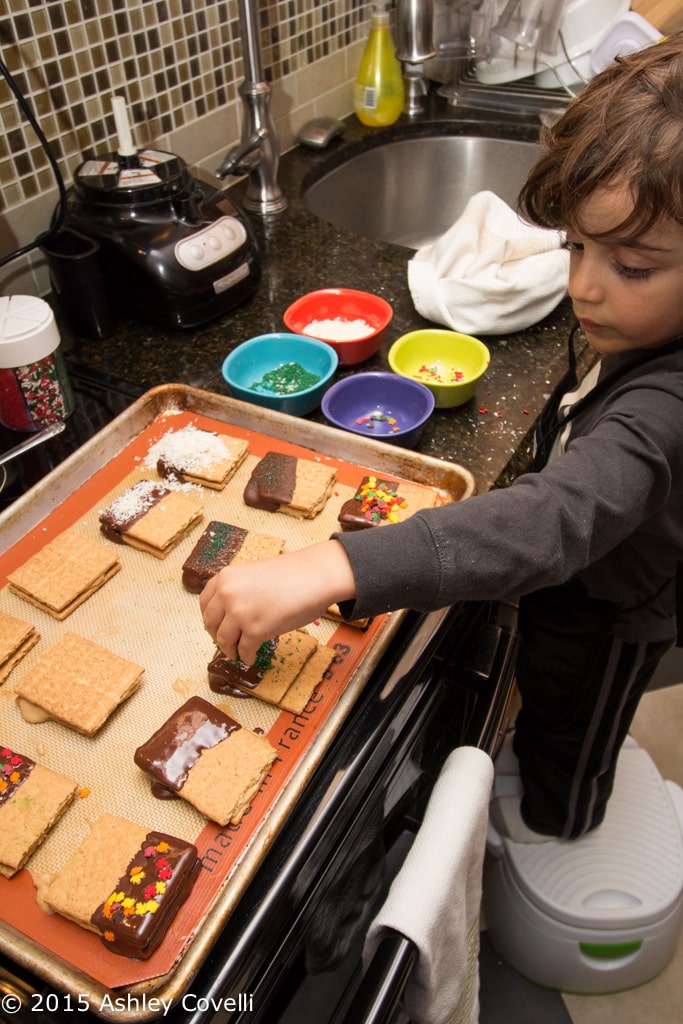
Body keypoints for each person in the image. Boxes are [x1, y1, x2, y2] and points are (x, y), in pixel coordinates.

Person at [201, 35, 683, 842]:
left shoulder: (669, 404)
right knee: (545, 688)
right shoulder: (642, 328)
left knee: (576, 724)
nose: (582, 286)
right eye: (574, 247)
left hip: (617, 610)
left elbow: (558, 517)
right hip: (578, 584)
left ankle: (558, 822)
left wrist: (336, 564)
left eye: (629, 266)